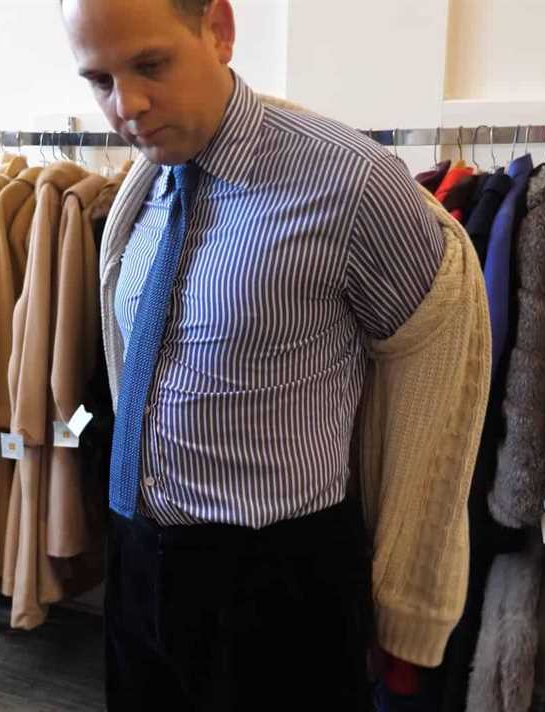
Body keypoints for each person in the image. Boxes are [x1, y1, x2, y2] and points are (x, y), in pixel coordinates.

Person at [61, 0, 446, 708]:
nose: (128, 106)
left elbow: (432, 366)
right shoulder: (140, 190)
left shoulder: (352, 183)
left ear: (219, 29)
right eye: (100, 80)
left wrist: (410, 597)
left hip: (276, 584)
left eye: (150, 65)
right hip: (139, 561)